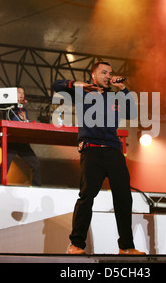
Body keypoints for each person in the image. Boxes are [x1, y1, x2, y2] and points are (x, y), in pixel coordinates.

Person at [51, 61, 144, 255]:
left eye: (110, 73)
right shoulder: (83, 92)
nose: (109, 76)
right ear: (94, 75)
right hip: (91, 150)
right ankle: (76, 244)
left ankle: (126, 246)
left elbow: (133, 113)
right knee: (87, 196)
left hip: (113, 150)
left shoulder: (114, 96)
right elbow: (55, 85)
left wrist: (124, 89)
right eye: (104, 72)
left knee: (124, 197)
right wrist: (78, 84)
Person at [0, 86, 41, 186]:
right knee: (5, 165)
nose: (21, 94)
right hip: (11, 141)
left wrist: (25, 120)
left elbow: (26, 125)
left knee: (35, 164)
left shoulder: (23, 109)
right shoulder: (7, 107)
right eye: (19, 92)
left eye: (23, 93)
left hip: (22, 142)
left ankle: (36, 187)